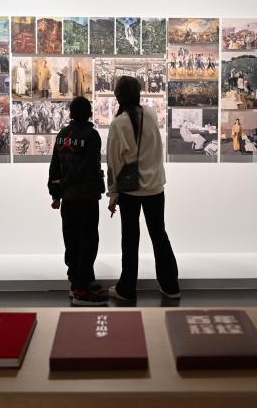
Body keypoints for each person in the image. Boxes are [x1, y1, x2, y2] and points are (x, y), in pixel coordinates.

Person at [106, 76, 179, 302]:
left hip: (130, 190)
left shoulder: (118, 123)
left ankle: (127, 289)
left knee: (130, 239)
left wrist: (112, 194)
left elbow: (113, 162)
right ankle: (170, 286)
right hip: (155, 187)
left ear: (118, 96)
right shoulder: (151, 114)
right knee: (159, 235)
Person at [48, 96, 107, 306]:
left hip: (68, 199)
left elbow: (54, 166)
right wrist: (63, 185)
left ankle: (77, 282)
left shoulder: (62, 135)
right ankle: (82, 290)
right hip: (86, 197)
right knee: (88, 242)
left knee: (71, 241)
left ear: (71, 114)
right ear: (90, 114)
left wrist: (55, 191)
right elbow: (87, 168)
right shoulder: (92, 136)